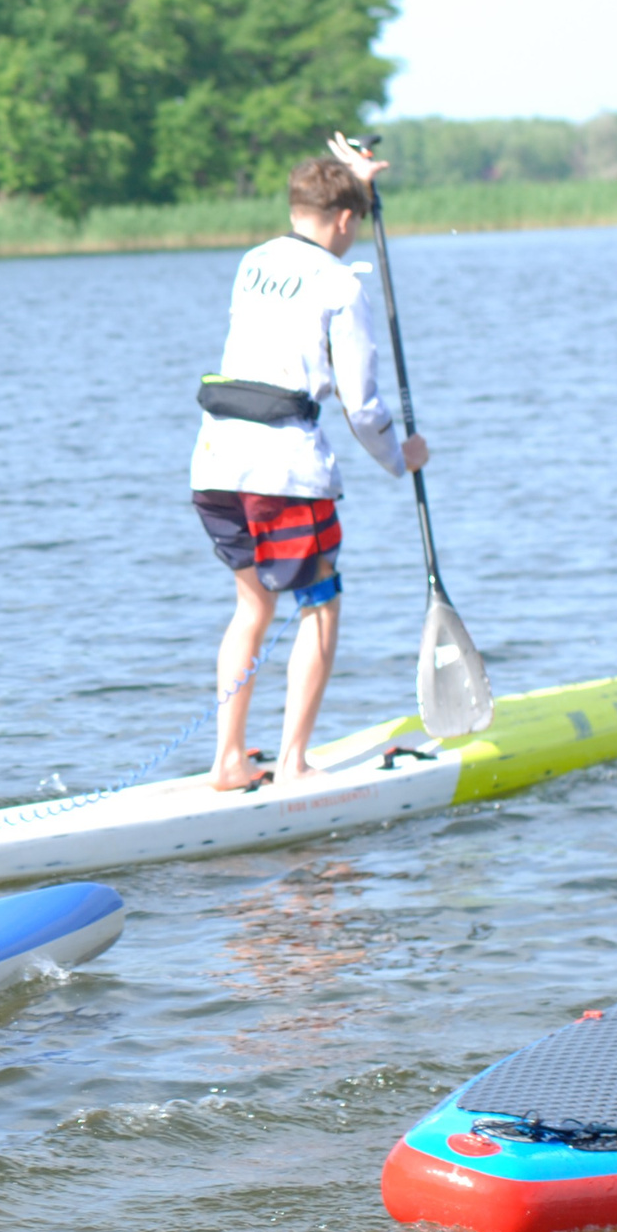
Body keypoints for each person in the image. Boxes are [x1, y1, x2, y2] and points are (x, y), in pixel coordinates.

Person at [192, 133, 429, 789]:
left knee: (252, 609)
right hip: (283, 469)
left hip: (213, 462)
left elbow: (317, 235)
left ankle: (229, 760)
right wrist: (399, 457)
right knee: (320, 602)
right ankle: (294, 762)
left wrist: (354, 179)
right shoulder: (341, 283)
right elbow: (361, 405)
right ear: (347, 220)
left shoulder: (253, 261)